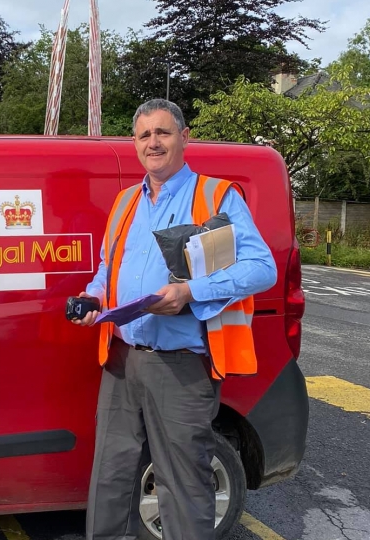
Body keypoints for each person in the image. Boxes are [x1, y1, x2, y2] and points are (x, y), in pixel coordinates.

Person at [72, 99, 277, 540]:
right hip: (123, 361)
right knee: (109, 477)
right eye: (144, 135)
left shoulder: (215, 196)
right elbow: (108, 268)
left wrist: (190, 292)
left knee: (183, 484)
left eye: (162, 133)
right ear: (134, 144)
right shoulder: (126, 201)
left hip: (182, 365)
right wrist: (92, 297)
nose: (153, 143)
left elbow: (263, 268)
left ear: (184, 137)